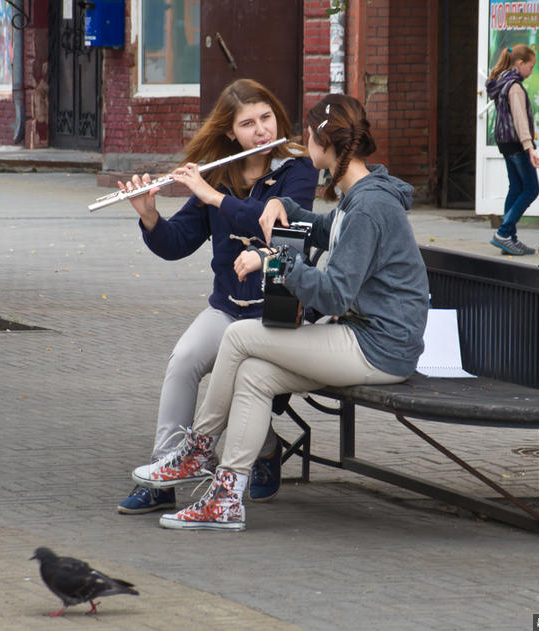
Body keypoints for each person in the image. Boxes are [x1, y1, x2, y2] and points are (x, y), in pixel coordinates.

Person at [129, 94, 430, 531]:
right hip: (363, 337)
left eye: (306, 136)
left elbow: (335, 295)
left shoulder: (370, 205)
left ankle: (197, 449)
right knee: (253, 375)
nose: (298, 142)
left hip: (378, 345)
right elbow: (327, 230)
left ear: (321, 144)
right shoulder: (357, 196)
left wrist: (275, 262)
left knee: (239, 337)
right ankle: (226, 498)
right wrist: (286, 208)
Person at [116, 79, 318, 514]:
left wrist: (210, 196)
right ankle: (164, 473)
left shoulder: (297, 169)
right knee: (184, 359)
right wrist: (151, 218)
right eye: (248, 123)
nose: (261, 130)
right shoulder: (219, 172)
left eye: (266, 118)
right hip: (228, 307)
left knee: (244, 378)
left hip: (278, 310)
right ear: (230, 133)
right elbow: (177, 243)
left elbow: (276, 226)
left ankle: (264, 449)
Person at [485, 44, 539, 256]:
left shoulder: (502, 82)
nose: (532, 71)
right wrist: (530, 147)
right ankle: (504, 233)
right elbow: (519, 119)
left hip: (505, 143)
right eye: (531, 66)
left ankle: (510, 239)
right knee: (531, 189)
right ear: (520, 64)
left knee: (516, 188)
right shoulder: (514, 86)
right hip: (517, 144)